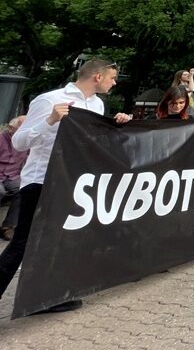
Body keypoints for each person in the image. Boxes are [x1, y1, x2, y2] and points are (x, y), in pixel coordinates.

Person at [0, 59, 132, 313]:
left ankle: (40, 299)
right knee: (23, 244)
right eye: (112, 77)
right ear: (97, 77)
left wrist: (117, 123)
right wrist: (49, 120)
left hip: (72, 180)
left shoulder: (96, 104)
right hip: (40, 181)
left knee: (58, 240)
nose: (114, 82)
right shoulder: (49, 100)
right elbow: (19, 142)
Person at [0, 116, 27, 241]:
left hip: (13, 177)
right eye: (21, 129)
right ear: (11, 128)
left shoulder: (25, 142)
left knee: (23, 190)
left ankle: (7, 227)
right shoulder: (1, 138)